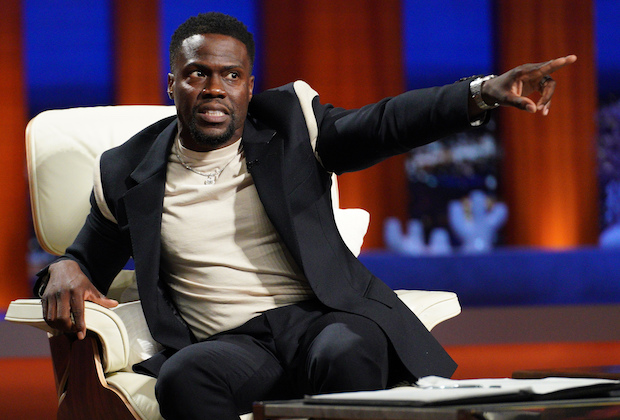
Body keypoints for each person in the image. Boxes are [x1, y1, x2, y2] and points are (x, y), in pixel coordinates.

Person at [36, 12, 576, 420]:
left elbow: (384, 123)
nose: (214, 89)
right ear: (172, 83)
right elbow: (82, 262)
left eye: (230, 75)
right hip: (233, 344)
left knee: (347, 351)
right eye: (198, 74)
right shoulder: (127, 171)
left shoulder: (292, 125)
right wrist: (62, 268)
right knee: (182, 379)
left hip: (323, 318)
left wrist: (479, 94)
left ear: (249, 86)